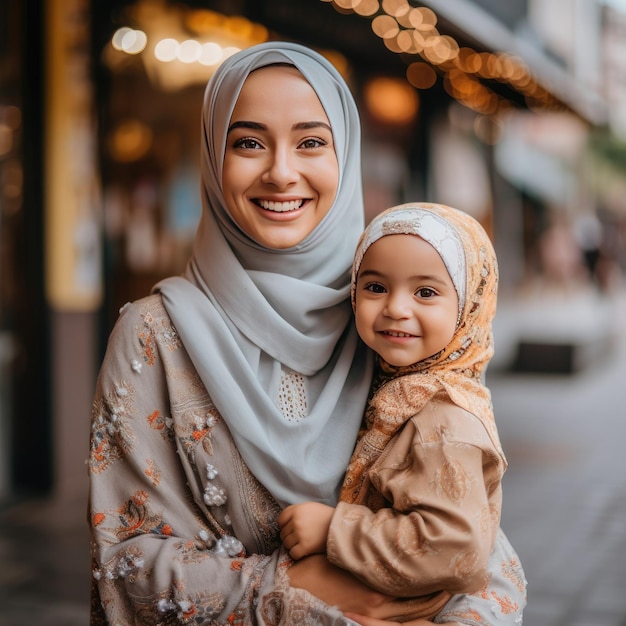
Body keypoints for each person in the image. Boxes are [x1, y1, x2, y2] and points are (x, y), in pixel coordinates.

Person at [88, 42, 526, 625]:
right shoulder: (153, 338)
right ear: (212, 159)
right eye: (247, 143)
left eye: (312, 142)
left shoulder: (386, 320)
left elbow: (474, 545)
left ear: (346, 157)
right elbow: (125, 562)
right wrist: (298, 591)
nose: (281, 172)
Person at [279, 202, 525, 624]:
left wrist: (334, 530)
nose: (396, 307)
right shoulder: (394, 386)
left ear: (469, 306)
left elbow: (454, 549)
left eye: (425, 292)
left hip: (408, 605)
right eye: (375, 287)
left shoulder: (445, 418)